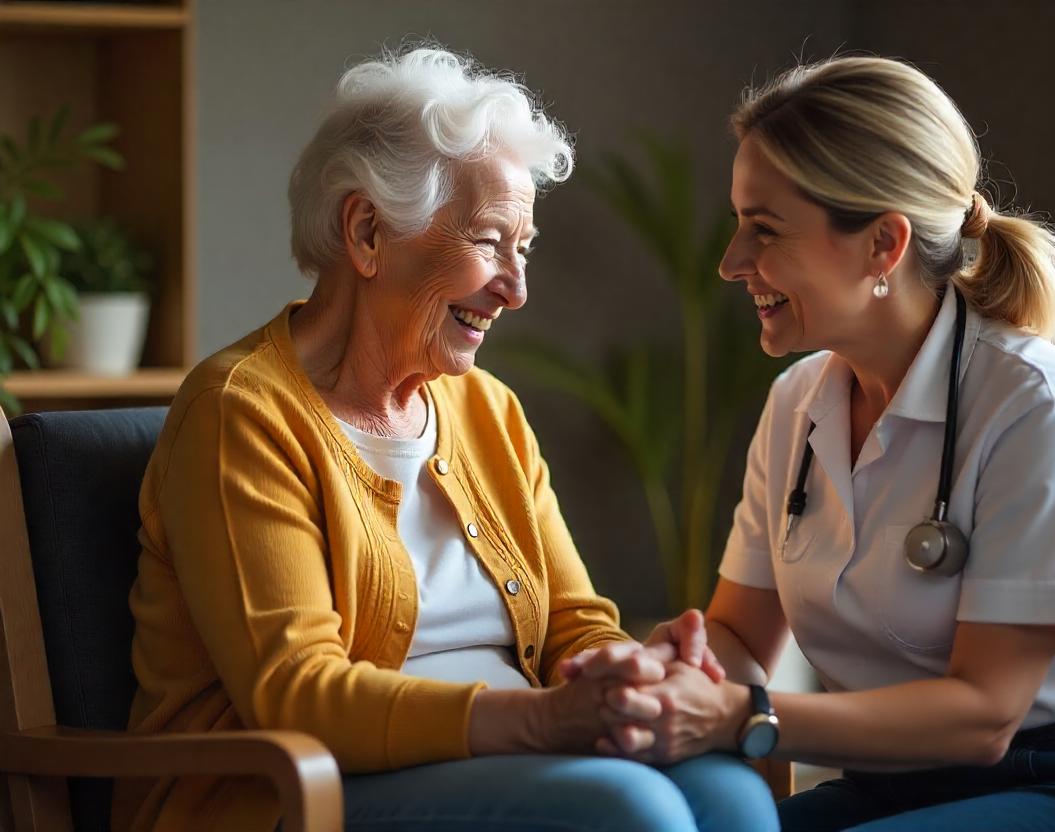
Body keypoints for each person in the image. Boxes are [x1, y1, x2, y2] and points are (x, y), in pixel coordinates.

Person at [113, 46, 778, 832]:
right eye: (491, 240)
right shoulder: (243, 414)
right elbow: (298, 693)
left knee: (731, 794)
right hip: (284, 798)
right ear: (366, 231)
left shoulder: (487, 410)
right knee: (633, 811)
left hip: (509, 767)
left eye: (522, 248)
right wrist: (546, 721)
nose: (517, 287)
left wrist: (630, 669)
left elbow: (573, 621)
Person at [571, 57, 1055, 832]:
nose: (732, 264)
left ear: (882, 246)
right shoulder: (796, 404)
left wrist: (740, 715)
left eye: (763, 230)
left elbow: (984, 714)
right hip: (891, 790)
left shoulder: (1037, 405)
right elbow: (738, 636)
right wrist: (673, 673)